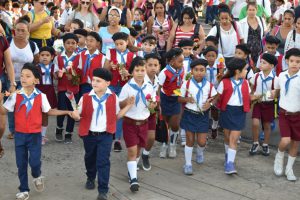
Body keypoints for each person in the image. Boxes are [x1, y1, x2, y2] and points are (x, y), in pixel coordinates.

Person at [0, 63, 74, 200]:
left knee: (34, 163)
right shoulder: (16, 96)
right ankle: (23, 189)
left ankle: (37, 175)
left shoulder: (41, 96)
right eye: (22, 75)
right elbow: (4, 111)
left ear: (36, 80)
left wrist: (68, 112)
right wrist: (1, 99)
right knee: (21, 163)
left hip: (35, 135)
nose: (23, 78)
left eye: (28, 76)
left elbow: (49, 111)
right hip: (20, 135)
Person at [73, 68, 134, 200]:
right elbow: (78, 113)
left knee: (103, 161)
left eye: (98, 81)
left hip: (105, 135)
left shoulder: (113, 97)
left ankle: (103, 191)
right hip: (89, 134)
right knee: (89, 158)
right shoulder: (85, 97)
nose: (94, 83)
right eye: (93, 80)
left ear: (107, 83)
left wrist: (128, 106)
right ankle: (90, 176)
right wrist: (76, 115)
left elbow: (117, 116)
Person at [119, 56, 156, 192]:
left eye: (142, 70)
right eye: (137, 70)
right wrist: (127, 102)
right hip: (130, 123)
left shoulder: (149, 86)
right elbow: (120, 104)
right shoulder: (127, 87)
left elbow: (152, 105)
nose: (140, 73)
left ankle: (132, 167)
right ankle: (133, 179)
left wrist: (153, 104)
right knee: (132, 150)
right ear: (132, 72)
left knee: (139, 148)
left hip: (144, 123)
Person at [178, 59, 217, 175]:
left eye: (202, 70)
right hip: (190, 114)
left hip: (203, 116)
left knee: (201, 142)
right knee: (189, 140)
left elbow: (215, 98)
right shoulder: (187, 84)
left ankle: (200, 152)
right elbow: (179, 98)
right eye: (196, 70)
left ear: (205, 71)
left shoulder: (209, 85)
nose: (199, 72)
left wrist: (209, 104)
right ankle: (188, 164)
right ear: (192, 71)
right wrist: (187, 99)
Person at [216, 58, 252, 174]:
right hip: (227, 111)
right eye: (245, 69)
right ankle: (228, 156)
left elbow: (249, 97)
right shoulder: (224, 82)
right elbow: (218, 97)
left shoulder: (246, 83)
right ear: (237, 71)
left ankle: (230, 164)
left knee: (234, 139)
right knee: (227, 137)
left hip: (240, 112)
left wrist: (262, 96)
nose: (246, 71)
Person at [7, 15, 39, 140]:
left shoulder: (32, 45)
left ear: (28, 31)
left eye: (23, 30)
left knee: (26, 105)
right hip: (10, 79)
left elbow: (36, 61)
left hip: (26, 81)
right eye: (18, 30)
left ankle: (25, 128)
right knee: (11, 105)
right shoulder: (7, 42)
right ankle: (13, 130)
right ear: (14, 30)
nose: (20, 33)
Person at [104, 32, 135, 152]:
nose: (119, 46)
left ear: (127, 42)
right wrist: (110, 66)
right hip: (112, 84)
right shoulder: (110, 52)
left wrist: (129, 74)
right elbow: (105, 69)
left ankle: (117, 139)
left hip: (125, 86)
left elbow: (137, 73)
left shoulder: (132, 55)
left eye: (121, 44)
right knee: (110, 108)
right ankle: (108, 133)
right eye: (116, 44)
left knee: (121, 111)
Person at [273, 48, 300, 181]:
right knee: (285, 140)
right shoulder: (281, 76)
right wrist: (272, 94)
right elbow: (277, 92)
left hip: (298, 115)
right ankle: (279, 156)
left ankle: (289, 169)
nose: (295, 64)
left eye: (298, 62)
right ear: (287, 61)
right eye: (292, 61)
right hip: (284, 113)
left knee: (295, 143)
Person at [249, 53, 278, 156]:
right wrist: (252, 96)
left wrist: (265, 96)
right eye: (261, 62)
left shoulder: (275, 78)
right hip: (257, 103)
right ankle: (255, 142)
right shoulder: (256, 75)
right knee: (255, 123)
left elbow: (276, 94)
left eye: (264, 63)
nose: (261, 64)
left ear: (271, 66)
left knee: (267, 125)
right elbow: (251, 89)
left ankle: (265, 144)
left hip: (269, 104)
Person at [54, 33, 80, 143]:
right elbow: (55, 73)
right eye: (68, 43)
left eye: (73, 43)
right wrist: (58, 74)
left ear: (77, 45)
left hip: (74, 90)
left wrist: (73, 76)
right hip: (62, 89)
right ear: (64, 44)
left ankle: (69, 133)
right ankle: (59, 128)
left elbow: (80, 73)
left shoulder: (79, 57)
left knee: (72, 111)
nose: (71, 45)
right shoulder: (58, 57)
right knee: (62, 110)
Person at [158, 48, 184, 158]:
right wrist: (158, 102)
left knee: (175, 124)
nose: (182, 64)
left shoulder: (182, 69)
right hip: (164, 98)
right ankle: (164, 144)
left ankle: (172, 145)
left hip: (176, 99)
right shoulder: (164, 72)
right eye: (180, 61)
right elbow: (158, 88)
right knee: (164, 123)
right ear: (172, 62)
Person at [141, 53, 160, 171]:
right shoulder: (140, 78)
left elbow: (157, 93)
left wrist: (158, 105)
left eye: (155, 65)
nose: (153, 67)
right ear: (145, 66)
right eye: (150, 65)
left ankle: (145, 154)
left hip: (151, 112)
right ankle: (134, 159)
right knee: (139, 137)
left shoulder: (157, 79)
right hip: (139, 112)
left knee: (151, 137)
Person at [36, 47, 57, 145]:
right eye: (42, 55)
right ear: (39, 56)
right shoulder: (36, 67)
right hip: (38, 91)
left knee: (45, 114)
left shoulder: (54, 67)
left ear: (52, 57)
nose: (44, 57)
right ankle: (35, 134)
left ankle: (42, 136)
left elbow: (57, 77)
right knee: (36, 114)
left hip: (49, 92)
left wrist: (59, 74)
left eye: (47, 55)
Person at [203, 46, 225, 139]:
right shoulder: (203, 66)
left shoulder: (219, 66)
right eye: (209, 56)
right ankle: (204, 131)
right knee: (205, 110)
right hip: (206, 90)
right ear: (205, 56)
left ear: (216, 57)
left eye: (213, 56)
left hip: (216, 90)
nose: (211, 58)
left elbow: (222, 79)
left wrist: (221, 75)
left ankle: (214, 126)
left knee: (215, 110)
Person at [0, 34, 16, 159]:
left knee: (1, 126)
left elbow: (9, 63)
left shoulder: (2, 39)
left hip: (0, 81)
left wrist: (12, 83)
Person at [146, 0, 174, 67]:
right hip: (155, 48)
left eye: (161, 8)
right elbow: (148, 34)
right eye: (157, 8)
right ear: (154, 9)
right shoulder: (151, 19)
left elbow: (172, 33)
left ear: (164, 8)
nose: (159, 10)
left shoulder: (169, 19)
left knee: (166, 65)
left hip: (167, 47)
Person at [78, 31, 104, 96]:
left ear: (98, 43)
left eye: (91, 41)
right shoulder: (81, 55)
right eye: (87, 40)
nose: (88, 43)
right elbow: (79, 70)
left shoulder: (103, 57)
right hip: (84, 85)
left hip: (97, 87)